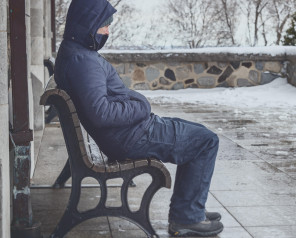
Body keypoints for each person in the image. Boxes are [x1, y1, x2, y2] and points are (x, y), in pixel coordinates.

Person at [54, 0, 223, 236]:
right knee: (206, 141)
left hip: (128, 132)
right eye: (104, 25)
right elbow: (100, 113)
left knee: (197, 131)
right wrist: (141, 106)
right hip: (133, 136)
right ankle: (186, 218)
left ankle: (191, 207)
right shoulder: (83, 62)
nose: (107, 31)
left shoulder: (75, 53)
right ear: (88, 23)